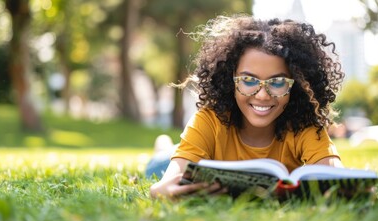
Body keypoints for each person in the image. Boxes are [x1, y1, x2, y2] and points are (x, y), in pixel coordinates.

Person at [148, 14, 345, 199]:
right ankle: (163, 146)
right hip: (172, 159)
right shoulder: (208, 120)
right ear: (230, 79)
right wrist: (160, 190)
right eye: (248, 80)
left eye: (277, 82)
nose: (262, 95)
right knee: (160, 162)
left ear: (297, 86)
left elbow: (336, 177)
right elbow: (169, 181)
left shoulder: (304, 127)